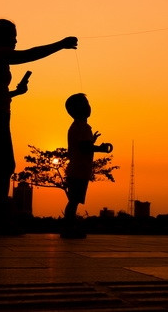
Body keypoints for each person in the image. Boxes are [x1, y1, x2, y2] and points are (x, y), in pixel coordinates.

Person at [0, 19, 77, 233]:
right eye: (13, 35)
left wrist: (15, 93)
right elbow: (29, 54)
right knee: (0, 168)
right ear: (2, 37)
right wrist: (60, 44)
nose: (16, 40)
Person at [62, 93, 111, 238]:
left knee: (74, 200)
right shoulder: (81, 127)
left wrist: (92, 141)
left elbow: (83, 144)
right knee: (74, 201)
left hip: (78, 169)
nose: (89, 107)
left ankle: (69, 227)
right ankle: (68, 228)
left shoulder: (80, 126)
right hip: (79, 169)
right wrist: (100, 148)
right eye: (86, 104)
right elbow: (84, 147)